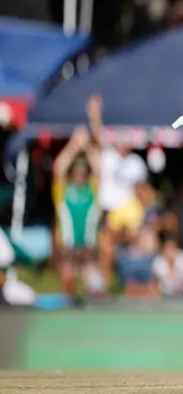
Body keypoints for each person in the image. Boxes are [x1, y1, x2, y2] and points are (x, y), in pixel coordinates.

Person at [52, 126, 105, 301]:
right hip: (69, 245)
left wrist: (87, 146)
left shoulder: (92, 191)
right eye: (77, 172)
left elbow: (98, 169)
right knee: (68, 278)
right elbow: (58, 168)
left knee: (93, 283)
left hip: (88, 247)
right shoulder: (64, 191)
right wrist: (74, 145)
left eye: (83, 172)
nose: (80, 175)